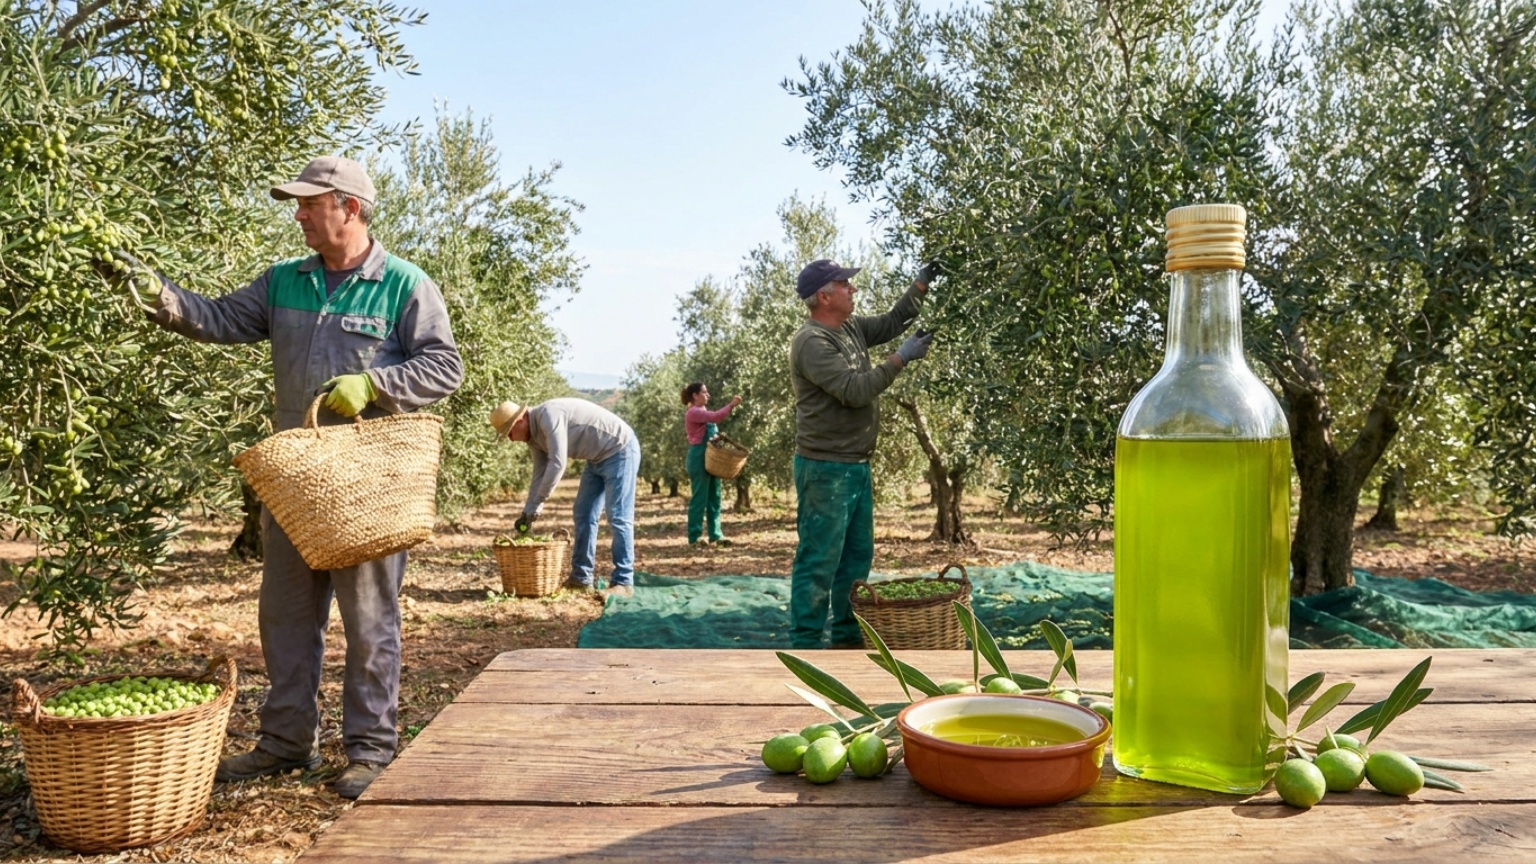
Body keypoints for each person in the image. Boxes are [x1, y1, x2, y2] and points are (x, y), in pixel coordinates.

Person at [111, 155, 464, 799]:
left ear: (349, 209)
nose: (298, 214)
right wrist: (152, 291)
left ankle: (370, 749)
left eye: (309, 204)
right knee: (284, 615)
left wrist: (376, 383)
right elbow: (216, 317)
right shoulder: (283, 282)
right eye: (298, 204)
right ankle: (284, 742)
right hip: (298, 484)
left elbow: (444, 367)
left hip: (366, 489)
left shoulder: (405, 286)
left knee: (370, 620)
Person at [788, 258, 937, 649]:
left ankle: (848, 640)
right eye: (845, 284)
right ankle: (804, 644)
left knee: (856, 558)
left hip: (853, 465)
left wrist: (921, 283)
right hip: (825, 469)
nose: (853, 289)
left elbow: (891, 323)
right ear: (824, 296)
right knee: (819, 561)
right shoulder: (812, 343)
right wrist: (900, 358)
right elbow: (855, 391)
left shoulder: (849, 327)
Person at [490, 397, 641, 598]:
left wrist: (540, 500)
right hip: (595, 459)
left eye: (509, 432)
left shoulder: (548, 415)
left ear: (520, 420)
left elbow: (558, 463)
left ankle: (624, 582)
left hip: (620, 449)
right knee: (583, 513)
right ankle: (581, 578)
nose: (510, 439)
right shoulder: (533, 438)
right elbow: (539, 474)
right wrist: (529, 511)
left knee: (618, 516)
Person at [681, 383, 742, 547]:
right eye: (704, 392)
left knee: (715, 497)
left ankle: (716, 535)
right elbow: (716, 417)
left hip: (712, 457)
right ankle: (695, 537)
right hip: (698, 457)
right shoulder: (694, 412)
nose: (708, 395)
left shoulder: (703, 411)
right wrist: (732, 405)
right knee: (699, 497)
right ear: (695, 395)